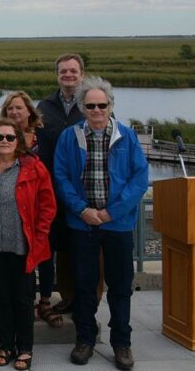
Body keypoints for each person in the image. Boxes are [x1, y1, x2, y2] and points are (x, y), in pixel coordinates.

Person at [54, 77, 148, 370]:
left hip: (116, 225)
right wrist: (82, 209)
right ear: (82, 107)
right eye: (90, 105)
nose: (96, 110)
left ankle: (122, 343)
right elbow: (61, 177)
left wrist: (112, 212)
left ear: (110, 106)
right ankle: (85, 339)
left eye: (102, 105)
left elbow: (139, 179)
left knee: (120, 286)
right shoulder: (70, 137)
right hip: (83, 224)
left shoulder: (127, 136)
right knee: (84, 285)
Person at [0, 118, 56, 371]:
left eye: (10, 137)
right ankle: (6, 344)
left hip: (22, 245)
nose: (4, 142)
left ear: (18, 141)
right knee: (2, 297)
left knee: (23, 297)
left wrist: (39, 237)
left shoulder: (33, 167)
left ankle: (26, 348)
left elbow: (47, 207)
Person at [0, 90, 62, 328]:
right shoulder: (1, 136)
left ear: (29, 110)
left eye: (19, 108)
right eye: (10, 109)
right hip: (11, 208)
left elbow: (56, 168)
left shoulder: (45, 136)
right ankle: (20, 301)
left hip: (40, 204)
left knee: (45, 254)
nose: (14, 112)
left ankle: (44, 301)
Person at [36, 53, 87, 319]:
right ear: (57, 75)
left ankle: (79, 299)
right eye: (63, 72)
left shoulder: (91, 104)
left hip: (83, 189)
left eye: (73, 71)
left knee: (78, 246)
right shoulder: (44, 106)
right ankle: (51, 297)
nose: (68, 76)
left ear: (82, 74)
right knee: (51, 244)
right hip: (50, 188)